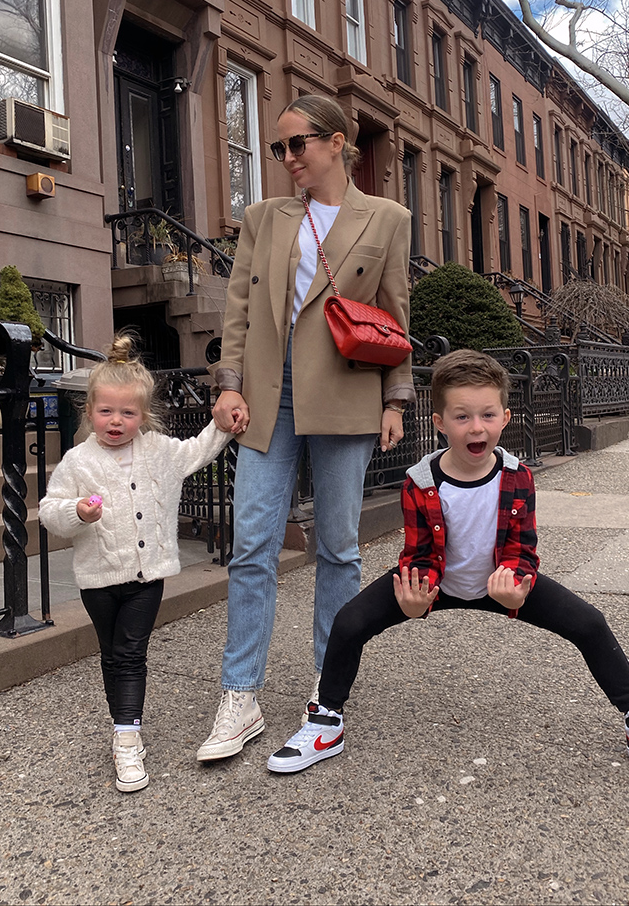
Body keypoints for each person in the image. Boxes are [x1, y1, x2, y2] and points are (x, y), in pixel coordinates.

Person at [267, 349, 629, 783]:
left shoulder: (517, 476)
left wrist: (519, 585)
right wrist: (416, 598)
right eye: (461, 417)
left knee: (589, 623)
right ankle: (325, 720)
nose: (477, 427)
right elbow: (418, 552)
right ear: (438, 423)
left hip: (501, 584)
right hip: (436, 584)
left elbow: (523, 549)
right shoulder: (421, 481)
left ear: (506, 418)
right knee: (348, 622)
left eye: (487, 415)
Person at [198, 94, 415, 762]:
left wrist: (396, 400)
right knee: (253, 543)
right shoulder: (264, 218)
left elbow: (393, 309)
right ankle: (241, 695)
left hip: (346, 394)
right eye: (279, 147)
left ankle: (329, 687)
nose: (288, 158)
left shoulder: (386, 217)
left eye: (298, 144)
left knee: (339, 549)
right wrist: (228, 386)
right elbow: (238, 311)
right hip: (269, 397)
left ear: (338, 142)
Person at [39, 334, 235, 791]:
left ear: (143, 416)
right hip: (97, 578)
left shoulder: (159, 452)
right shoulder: (77, 461)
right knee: (112, 653)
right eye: (106, 411)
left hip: (148, 577)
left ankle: (127, 737)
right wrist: (77, 512)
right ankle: (122, 724)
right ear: (89, 412)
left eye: (128, 413)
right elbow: (50, 510)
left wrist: (225, 424)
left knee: (129, 653)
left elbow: (197, 451)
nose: (115, 421)